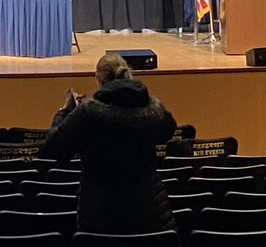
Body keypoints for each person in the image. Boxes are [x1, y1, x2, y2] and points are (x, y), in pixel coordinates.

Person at [40, 53, 176, 233]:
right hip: (147, 209)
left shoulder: (87, 114)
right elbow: (168, 130)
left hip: (99, 212)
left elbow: (54, 148)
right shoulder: (153, 110)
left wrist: (64, 113)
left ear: (98, 79)